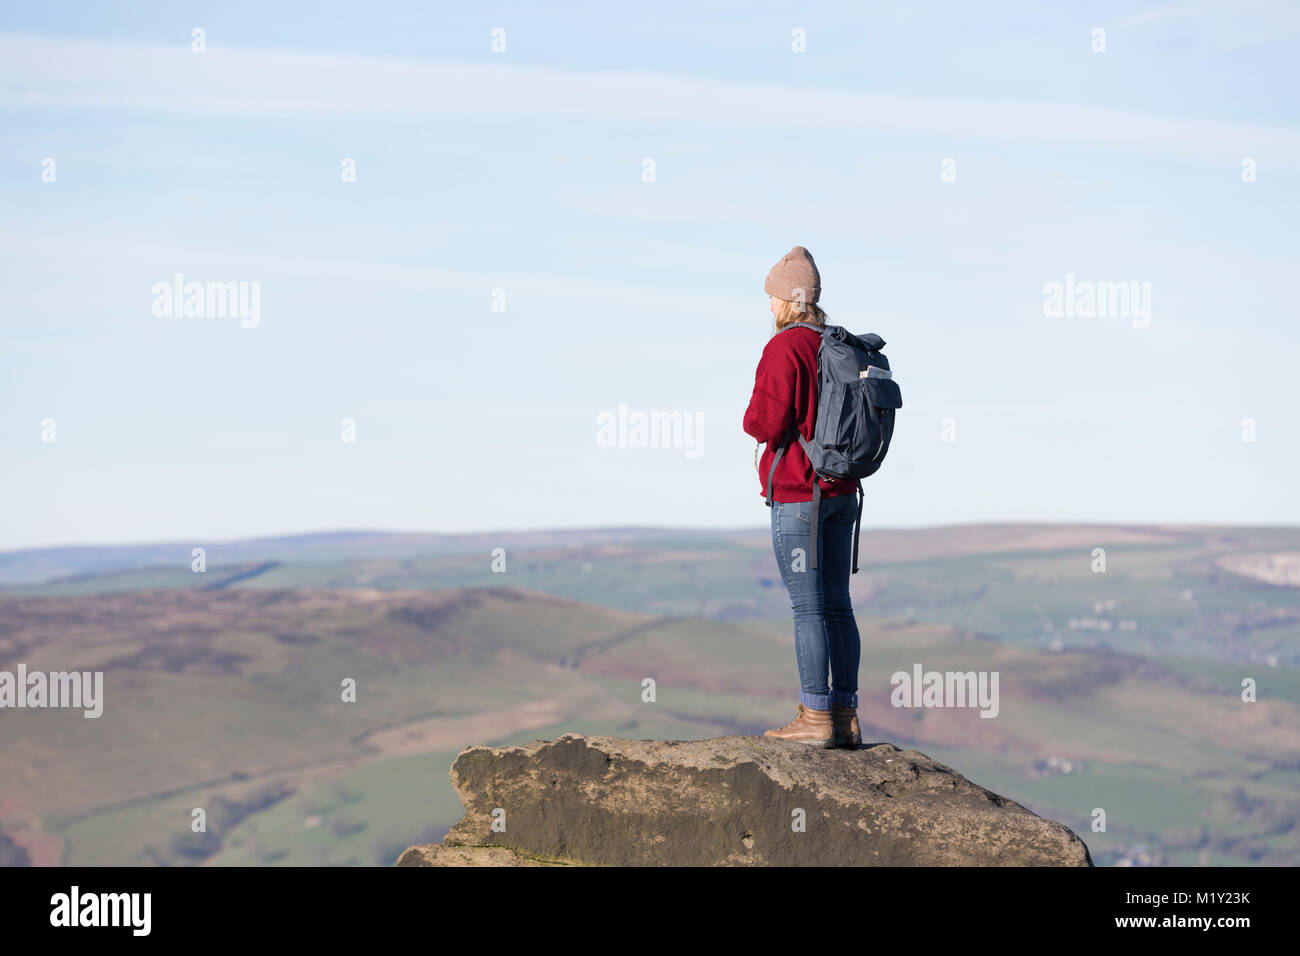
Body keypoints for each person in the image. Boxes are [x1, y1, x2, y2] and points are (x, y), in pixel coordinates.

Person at [743, 246, 862, 748]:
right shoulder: (837, 344)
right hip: (842, 491)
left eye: (771, 297)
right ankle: (843, 715)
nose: (768, 306)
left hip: (799, 494)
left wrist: (747, 421)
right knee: (838, 605)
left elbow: (764, 422)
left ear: (787, 299)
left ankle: (814, 717)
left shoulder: (785, 348)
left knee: (807, 608)